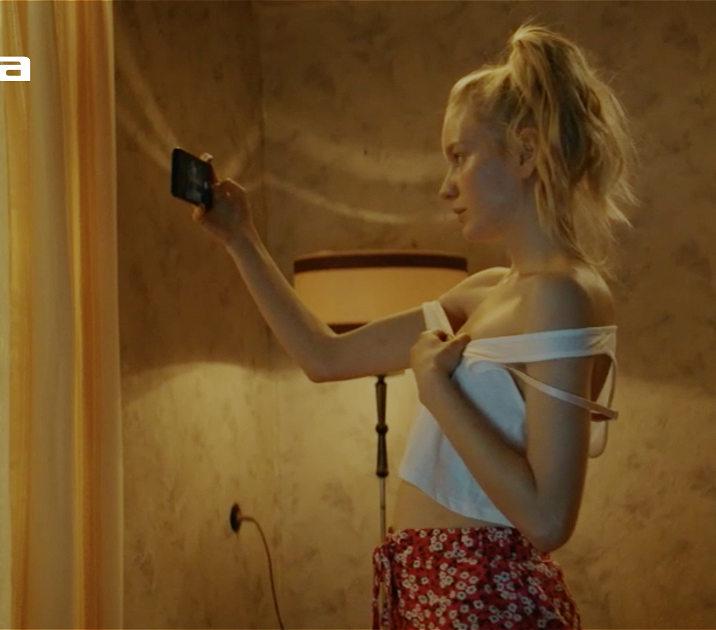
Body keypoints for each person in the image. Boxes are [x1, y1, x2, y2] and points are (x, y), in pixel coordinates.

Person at [189, 19, 638, 630]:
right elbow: (324, 357)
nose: (445, 186)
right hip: (425, 589)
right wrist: (241, 239)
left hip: (484, 602)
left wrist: (436, 390)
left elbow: (548, 520)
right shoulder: (486, 291)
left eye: (460, 156)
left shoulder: (563, 294)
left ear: (526, 153)